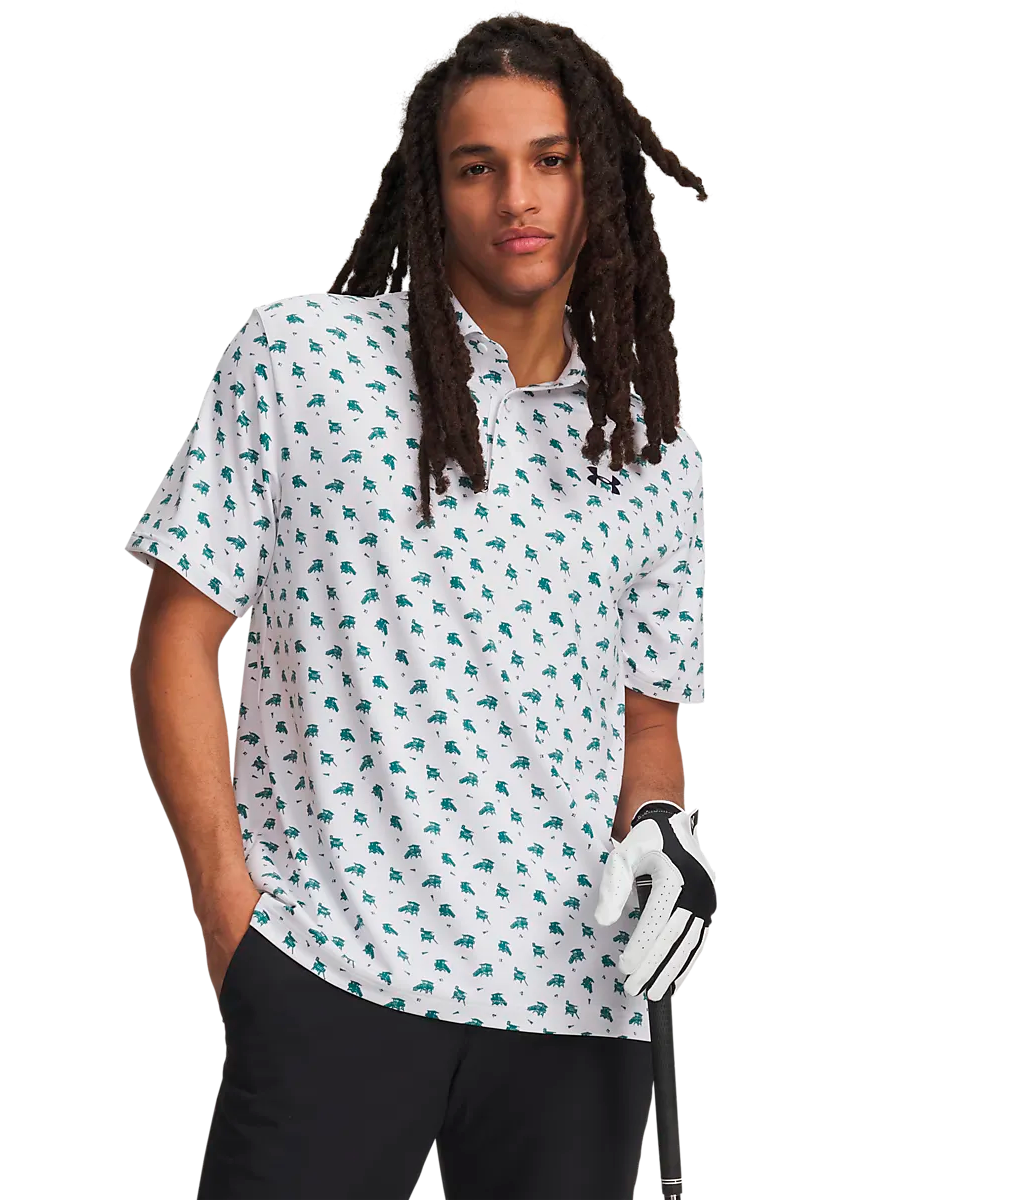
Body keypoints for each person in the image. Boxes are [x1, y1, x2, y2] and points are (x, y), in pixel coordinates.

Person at [125, 14, 714, 1199]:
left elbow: (648, 724)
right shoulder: (301, 357)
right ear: (430, 191)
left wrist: (661, 831)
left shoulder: (656, 455)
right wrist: (232, 921)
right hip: (334, 975)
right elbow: (178, 640)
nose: (518, 198)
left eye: (551, 160)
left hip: (576, 1011)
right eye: (476, 166)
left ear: (599, 180)